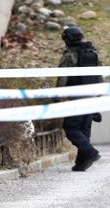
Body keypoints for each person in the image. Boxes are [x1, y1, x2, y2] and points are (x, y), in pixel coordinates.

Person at [56, 26, 102, 172]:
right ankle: (81, 163)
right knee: (84, 130)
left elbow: (63, 77)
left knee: (71, 128)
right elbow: (99, 75)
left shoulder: (70, 55)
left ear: (68, 39)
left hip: (76, 97)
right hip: (91, 96)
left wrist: (57, 96)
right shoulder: (93, 53)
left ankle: (90, 153)